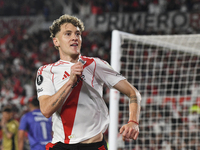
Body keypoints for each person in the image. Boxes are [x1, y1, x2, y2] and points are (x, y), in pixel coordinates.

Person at [35, 14, 141, 150]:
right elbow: (46, 110)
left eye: (78, 34)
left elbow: (133, 93)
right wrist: (70, 81)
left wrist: (133, 121)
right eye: (68, 34)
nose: (75, 37)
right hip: (62, 146)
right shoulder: (46, 71)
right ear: (56, 41)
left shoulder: (95, 64)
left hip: (94, 145)